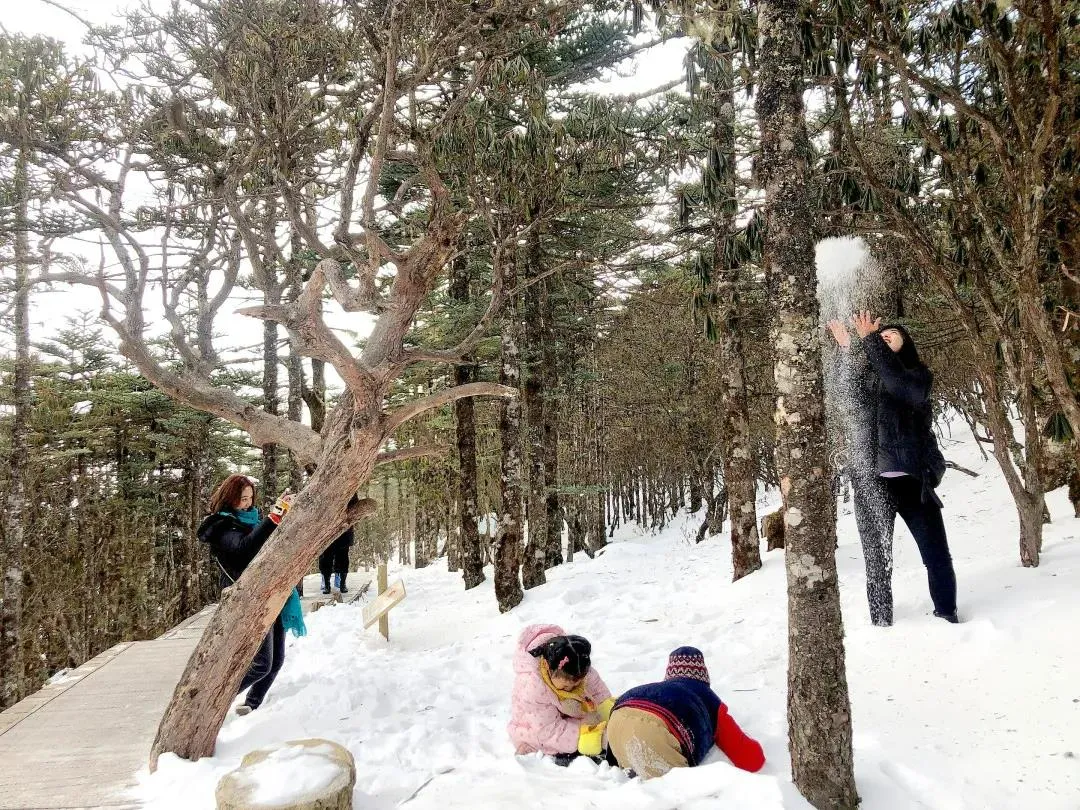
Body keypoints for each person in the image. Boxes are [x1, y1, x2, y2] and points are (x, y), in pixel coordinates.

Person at [826, 311, 958, 624]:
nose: (885, 336)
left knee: (936, 555)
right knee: (876, 562)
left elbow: (899, 385)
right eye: (880, 335)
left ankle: (947, 614)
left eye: (891, 335)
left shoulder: (917, 376)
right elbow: (844, 392)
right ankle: (882, 622)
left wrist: (870, 339)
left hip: (914, 483)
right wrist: (846, 348)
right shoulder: (868, 380)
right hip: (872, 485)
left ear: (905, 343)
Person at [198, 474, 303, 715]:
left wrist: (283, 514)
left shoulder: (250, 520)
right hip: (246, 599)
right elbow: (245, 549)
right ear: (229, 498)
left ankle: (250, 706)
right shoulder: (221, 526)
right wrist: (274, 516)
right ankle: (210, 703)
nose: (247, 504)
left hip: (268, 593)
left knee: (275, 662)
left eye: (250, 498)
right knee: (262, 664)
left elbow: (267, 540)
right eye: (242, 499)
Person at [606, 647, 765, 780]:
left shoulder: (657, 688)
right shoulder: (709, 699)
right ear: (704, 676)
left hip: (616, 721)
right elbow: (751, 760)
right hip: (655, 733)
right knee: (675, 796)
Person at [508, 624, 614, 765]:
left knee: (609, 721)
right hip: (537, 730)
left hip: (567, 718)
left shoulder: (577, 666)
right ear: (546, 666)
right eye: (565, 686)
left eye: (576, 685)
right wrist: (588, 735)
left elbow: (599, 694)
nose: (570, 689)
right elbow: (548, 730)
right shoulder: (533, 686)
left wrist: (608, 713)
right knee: (594, 745)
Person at [319, 527, 354, 594]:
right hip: (327, 532)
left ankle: (343, 584)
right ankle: (327, 585)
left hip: (343, 533)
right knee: (326, 559)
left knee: (343, 559)